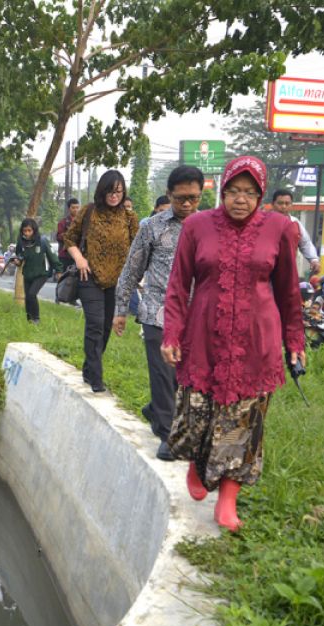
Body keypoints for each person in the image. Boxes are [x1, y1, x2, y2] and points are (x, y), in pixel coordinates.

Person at [161, 155, 305, 532]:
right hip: (204, 336)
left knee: (244, 421)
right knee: (197, 414)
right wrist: (172, 333)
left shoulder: (280, 229)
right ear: (222, 191)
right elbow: (178, 285)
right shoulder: (196, 226)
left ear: (261, 195)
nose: (241, 199)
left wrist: (295, 339)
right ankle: (196, 461)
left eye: (250, 192)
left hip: (256, 339)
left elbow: (289, 292)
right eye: (234, 191)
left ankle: (227, 499)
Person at [112, 165, 205, 461]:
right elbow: (131, 269)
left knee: (186, 378)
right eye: (180, 198)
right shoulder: (151, 227)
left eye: (193, 198)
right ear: (169, 195)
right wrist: (121, 309)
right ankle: (167, 435)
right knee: (163, 374)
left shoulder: (210, 228)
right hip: (157, 311)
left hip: (195, 315)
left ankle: (157, 410)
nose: (187, 204)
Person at [64, 171, 139, 392]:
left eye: (118, 191)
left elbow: (138, 248)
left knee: (106, 327)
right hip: (89, 276)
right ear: (102, 190)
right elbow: (70, 238)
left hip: (116, 280)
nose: (114, 196)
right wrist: (79, 258)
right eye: (110, 191)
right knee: (95, 324)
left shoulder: (129, 218)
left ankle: (89, 368)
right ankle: (96, 379)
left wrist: (138, 275)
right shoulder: (89, 211)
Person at [14, 217, 62, 324]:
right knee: (27, 298)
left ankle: (36, 319)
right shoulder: (21, 243)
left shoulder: (43, 241)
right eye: (24, 231)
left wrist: (59, 270)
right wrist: (17, 262)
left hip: (41, 274)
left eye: (29, 231)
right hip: (27, 274)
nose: (27, 233)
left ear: (34, 230)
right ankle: (29, 321)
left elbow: (52, 257)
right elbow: (20, 257)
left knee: (32, 294)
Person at [271, 189, 321, 274]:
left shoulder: (295, 223)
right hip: (266, 270)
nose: (283, 206)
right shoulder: (264, 222)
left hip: (287, 271)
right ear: (273, 204)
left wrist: (314, 260)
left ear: (291, 205)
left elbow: (305, 243)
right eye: (280, 203)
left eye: (287, 203)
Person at [55, 198, 80, 270]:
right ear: (69, 208)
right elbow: (59, 237)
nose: (76, 210)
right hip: (65, 255)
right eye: (73, 208)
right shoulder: (63, 222)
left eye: (77, 207)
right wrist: (69, 235)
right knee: (64, 278)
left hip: (79, 255)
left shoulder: (83, 222)